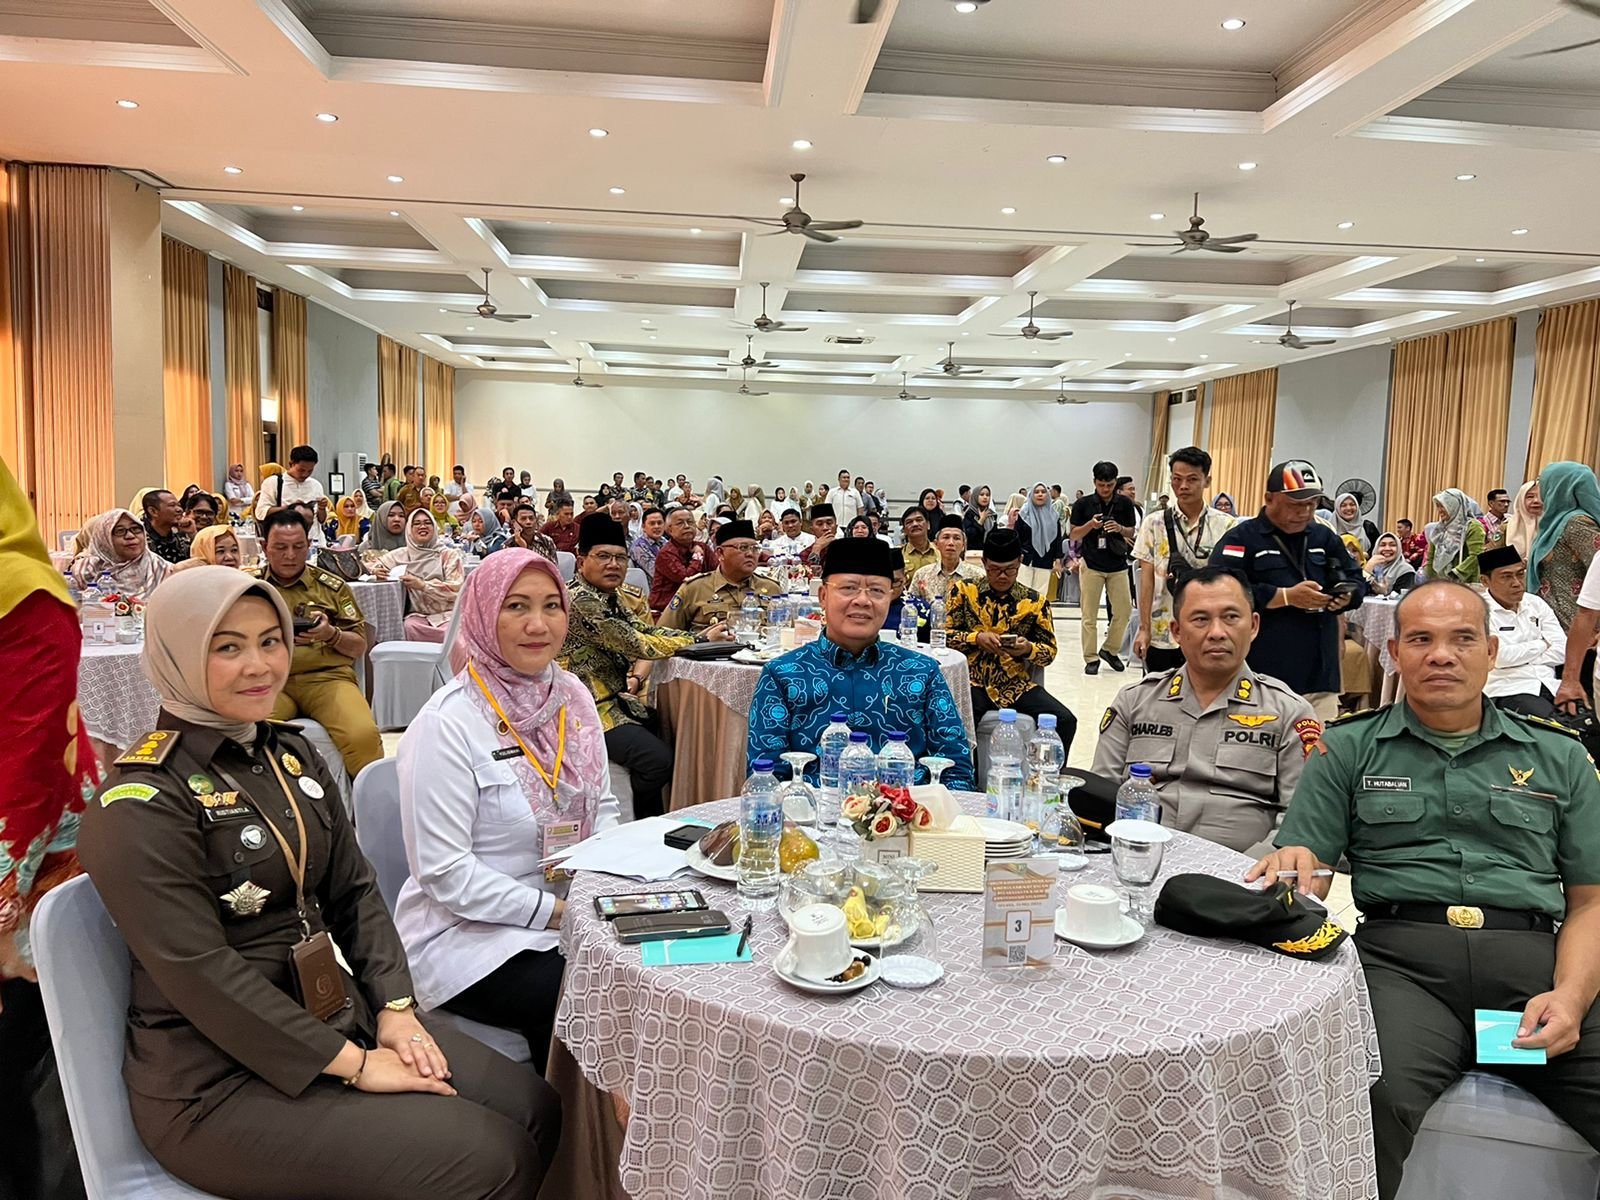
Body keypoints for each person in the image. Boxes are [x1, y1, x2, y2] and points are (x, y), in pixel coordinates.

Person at [77, 565, 559, 1199]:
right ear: (177, 655)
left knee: (535, 1107)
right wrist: (355, 1065)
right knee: (491, 1160)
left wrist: (394, 1010)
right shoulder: (142, 802)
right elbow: (201, 973)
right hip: (216, 1078)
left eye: (270, 641)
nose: (259, 666)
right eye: (227, 647)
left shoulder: (289, 755)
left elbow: (355, 892)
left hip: (336, 1015)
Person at [1248, 580, 1600, 1200]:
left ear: (1491, 651)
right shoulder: (1346, 747)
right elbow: (1310, 870)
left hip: (1531, 984)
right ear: (1394, 654)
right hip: (1404, 978)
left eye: (1462, 638)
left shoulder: (1560, 757)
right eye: (1420, 640)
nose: (1441, 655)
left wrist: (1570, 999)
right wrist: (1298, 865)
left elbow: (1591, 901)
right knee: (1367, 1100)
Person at [395, 549, 617, 1073]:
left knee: (660, 958)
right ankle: (566, 1122)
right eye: (516, 606)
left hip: (573, 908)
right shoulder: (446, 725)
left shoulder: (573, 696)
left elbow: (603, 805)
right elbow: (445, 873)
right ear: (482, 613)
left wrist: (611, 886)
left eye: (551, 606)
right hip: (469, 934)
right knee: (592, 991)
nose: (538, 625)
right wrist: (558, 914)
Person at [0, 458, 97, 1200]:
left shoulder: (26, 597)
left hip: (25, 867)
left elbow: (29, 769)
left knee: (27, 1072)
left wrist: (2, 908)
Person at [1095, 567, 1318, 855]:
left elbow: (1298, 823)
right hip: (1139, 862)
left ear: (1253, 626)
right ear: (1176, 631)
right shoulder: (1134, 702)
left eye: (1231, 617)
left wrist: (1246, 872)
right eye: (1200, 619)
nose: (1217, 633)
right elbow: (1099, 798)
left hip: (1243, 873)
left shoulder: (1290, 713)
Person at [747, 537, 975, 789]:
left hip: (908, 808)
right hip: (811, 810)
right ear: (823, 596)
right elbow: (766, 778)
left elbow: (957, 771)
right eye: (849, 588)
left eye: (876, 591)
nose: (863, 601)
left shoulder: (921, 672)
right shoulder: (783, 674)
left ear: (890, 598)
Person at [563, 516, 727, 820]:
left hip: (613, 700)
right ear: (581, 561)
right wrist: (697, 640)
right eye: (603, 556)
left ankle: (656, 815)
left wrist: (697, 637)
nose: (613, 565)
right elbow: (636, 643)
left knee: (664, 726)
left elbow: (643, 629)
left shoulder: (610, 597)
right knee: (657, 759)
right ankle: (636, 818)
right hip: (585, 708)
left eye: (620, 558)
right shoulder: (580, 600)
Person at [1208, 460, 1365, 723]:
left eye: (1312, 504)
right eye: (1295, 504)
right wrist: (1283, 596)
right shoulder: (1241, 539)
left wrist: (1347, 596)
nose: (1305, 512)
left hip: (1320, 675)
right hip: (1261, 675)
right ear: (1269, 498)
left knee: (1317, 747)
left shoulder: (1323, 537)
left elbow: (1356, 578)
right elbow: (1219, 590)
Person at [252, 509, 382, 777]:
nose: (290, 555)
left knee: (363, 737)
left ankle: (370, 800)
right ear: (264, 547)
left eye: (298, 546)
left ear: (309, 545)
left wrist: (330, 634)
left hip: (327, 679)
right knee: (248, 732)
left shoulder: (331, 587)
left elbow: (359, 646)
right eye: (281, 547)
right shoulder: (250, 590)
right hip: (269, 680)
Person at [945, 528, 1077, 749]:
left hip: (1014, 684)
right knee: (962, 723)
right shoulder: (964, 591)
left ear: (1020, 562)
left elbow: (1049, 652)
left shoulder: (1035, 602)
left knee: (1065, 720)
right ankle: (967, 771)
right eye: (995, 570)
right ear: (984, 563)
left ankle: (1045, 769)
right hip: (971, 680)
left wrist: (1027, 649)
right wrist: (976, 638)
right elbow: (944, 637)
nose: (1002, 576)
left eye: (1010, 570)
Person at [1132, 447, 1237, 674]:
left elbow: (1232, 582)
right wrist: (1144, 628)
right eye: (1177, 479)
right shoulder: (1153, 523)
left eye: (1192, 479)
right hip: (1162, 631)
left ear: (1207, 481)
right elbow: (1146, 580)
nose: (1183, 486)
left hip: (1208, 633)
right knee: (1160, 693)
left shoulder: (1227, 526)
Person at [1474, 546, 1565, 718]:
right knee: (1552, 725)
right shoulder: (1477, 611)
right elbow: (1500, 658)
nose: (1516, 582)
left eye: (1520, 574)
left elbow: (1562, 650)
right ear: (1485, 581)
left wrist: (1523, 658)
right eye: (1506, 576)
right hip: (1508, 689)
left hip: (1550, 684)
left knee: (1589, 723)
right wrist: (1542, 644)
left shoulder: (1536, 604)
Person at [1069, 460, 1139, 675]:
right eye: (1101, 485)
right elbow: (1073, 534)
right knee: (1089, 615)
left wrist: (1119, 528)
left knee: (1124, 611)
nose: (1105, 489)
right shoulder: (1083, 504)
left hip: (1118, 564)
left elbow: (1131, 531)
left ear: (1115, 482)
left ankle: (1110, 649)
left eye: (1109, 485)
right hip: (1091, 564)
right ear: (1094, 482)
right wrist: (1091, 525)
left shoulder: (1125, 504)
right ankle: (1091, 658)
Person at [659, 519, 782, 634]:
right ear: (720, 553)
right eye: (743, 548)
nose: (750, 554)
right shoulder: (694, 589)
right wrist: (702, 639)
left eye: (755, 548)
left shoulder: (771, 589)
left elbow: (787, 633)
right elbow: (662, 636)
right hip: (711, 649)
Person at [1529, 462, 1600, 632]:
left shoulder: (1576, 523)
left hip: (1573, 624)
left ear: (1559, 486)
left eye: (1543, 482)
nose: (1540, 489)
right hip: (1555, 620)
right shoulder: (1555, 523)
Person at [377, 508, 464, 643]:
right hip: (418, 616)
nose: (422, 526)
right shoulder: (401, 555)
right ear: (409, 529)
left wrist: (423, 585)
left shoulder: (448, 555)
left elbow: (456, 589)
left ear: (434, 527)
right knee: (409, 627)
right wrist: (376, 571)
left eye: (427, 523)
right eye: (416, 523)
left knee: (452, 632)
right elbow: (372, 564)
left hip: (447, 614)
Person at [71, 507, 172, 596]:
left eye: (135, 529)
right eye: (120, 531)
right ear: (104, 539)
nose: (130, 536)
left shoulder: (161, 568)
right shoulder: (84, 571)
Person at [907, 514, 983, 610]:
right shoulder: (922, 575)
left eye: (956, 538)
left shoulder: (978, 576)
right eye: (946, 537)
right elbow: (910, 607)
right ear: (936, 544)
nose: (951, 543)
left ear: (963, 545)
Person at [256, 444, 328, 533]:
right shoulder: (273, 482)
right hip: (286, 535)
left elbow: (321, 520)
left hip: (315, 537)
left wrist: (321, 507)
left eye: (310, 471)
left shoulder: (316, 485)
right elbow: (260, 513)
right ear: (291, 464)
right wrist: (288, 508)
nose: (305, 474)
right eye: (301, 470)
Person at [1423, 488, 1484, 583]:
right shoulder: (1439, 529)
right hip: (1441, 582)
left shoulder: (1472, 526)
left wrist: (1456, 574)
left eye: (1443, 506)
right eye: (1438, 506)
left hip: (1466, 583)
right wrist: (1429, 579)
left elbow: (1477, 555)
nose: (1439, 510)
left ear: (1454, 506)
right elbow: (1431, 557)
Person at [1014, 482, 1064, 597]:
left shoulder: (1053, 516)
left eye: (1043, 492)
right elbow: (1016, 536)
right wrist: (1017, 554)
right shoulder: (1023, 514)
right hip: (1025, 560)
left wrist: (1058, 560)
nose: (1040, 494)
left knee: (1040, 595)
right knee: (1022, 593)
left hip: (1045, 559)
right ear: (1031, 495)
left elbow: (1057, 539)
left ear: (1048, 495)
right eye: (1036, 492)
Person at [141, 488, 192, 564]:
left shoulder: (180, 537)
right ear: (153, 511)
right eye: (172, 505)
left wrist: (192, 534)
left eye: (179, 505)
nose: (179, 510)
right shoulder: (140, 539)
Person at [172, 524, 245, 572]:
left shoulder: (245, 581)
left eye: (234, 550)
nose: (229, 557)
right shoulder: (194, 585)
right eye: (220, 551)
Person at [361, 500, 407, 570]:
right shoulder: (365, 548)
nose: (397, 519)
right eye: (391, 515)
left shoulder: (414, 547)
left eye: (401, 516)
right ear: (380, 518)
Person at [1505, 479, 1542, 560]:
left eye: (1541, 497)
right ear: (1520, 500)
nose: (1536, 500)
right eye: (1530, 497)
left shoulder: (1555, 527)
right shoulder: (1506, 527)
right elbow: (1487, 562)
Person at [897, 506, 937, 578]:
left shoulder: (941, 552)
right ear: (904, 530)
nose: (915, 524)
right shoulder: (898, 554)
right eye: (909, 522)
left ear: (928, 525)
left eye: (919, 520)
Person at [629, 507, 667, 582]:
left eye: (659, 523)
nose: (656, 526)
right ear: (643, 527)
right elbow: (657, 573)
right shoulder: (638, 547)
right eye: (652, 523)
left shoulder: (664, 541)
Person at [800, 502, 837, 571]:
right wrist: (816, 549)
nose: (825, 528)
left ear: (836, 527)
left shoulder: (847, 550)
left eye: (829, 523)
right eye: (820, 524)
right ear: (812, 530)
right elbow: (808, 574)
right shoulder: (805, 553)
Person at [962, 485, 997, 551]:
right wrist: (981, 521)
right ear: (975, 496)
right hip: (973, 552)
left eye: (987, 495)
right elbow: (969, 535)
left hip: (989, 552)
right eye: (981, 495)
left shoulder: (991, 515)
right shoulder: (970, 514)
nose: (985, 497)